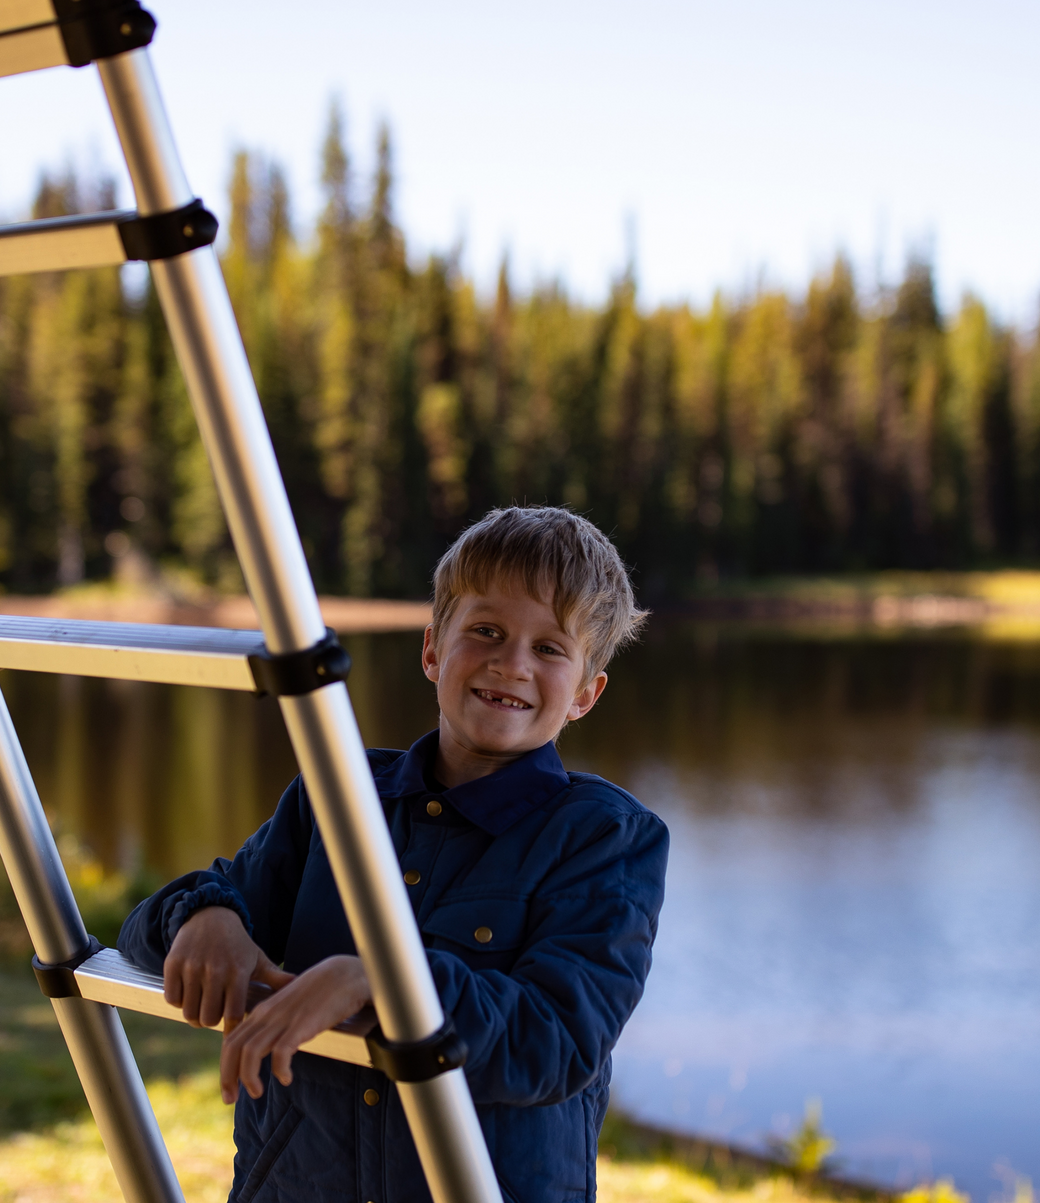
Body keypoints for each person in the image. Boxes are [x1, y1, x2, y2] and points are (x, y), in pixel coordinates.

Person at [118, 506, 669, 1203]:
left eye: (550, 649)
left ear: (587, 693)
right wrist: (204, 919)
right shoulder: (336, 795)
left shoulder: (608, 839)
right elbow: (152, 925)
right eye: (486, 632)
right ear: (433, 649)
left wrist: (387, 983)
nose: (510, 663)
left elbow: (556, 1039)